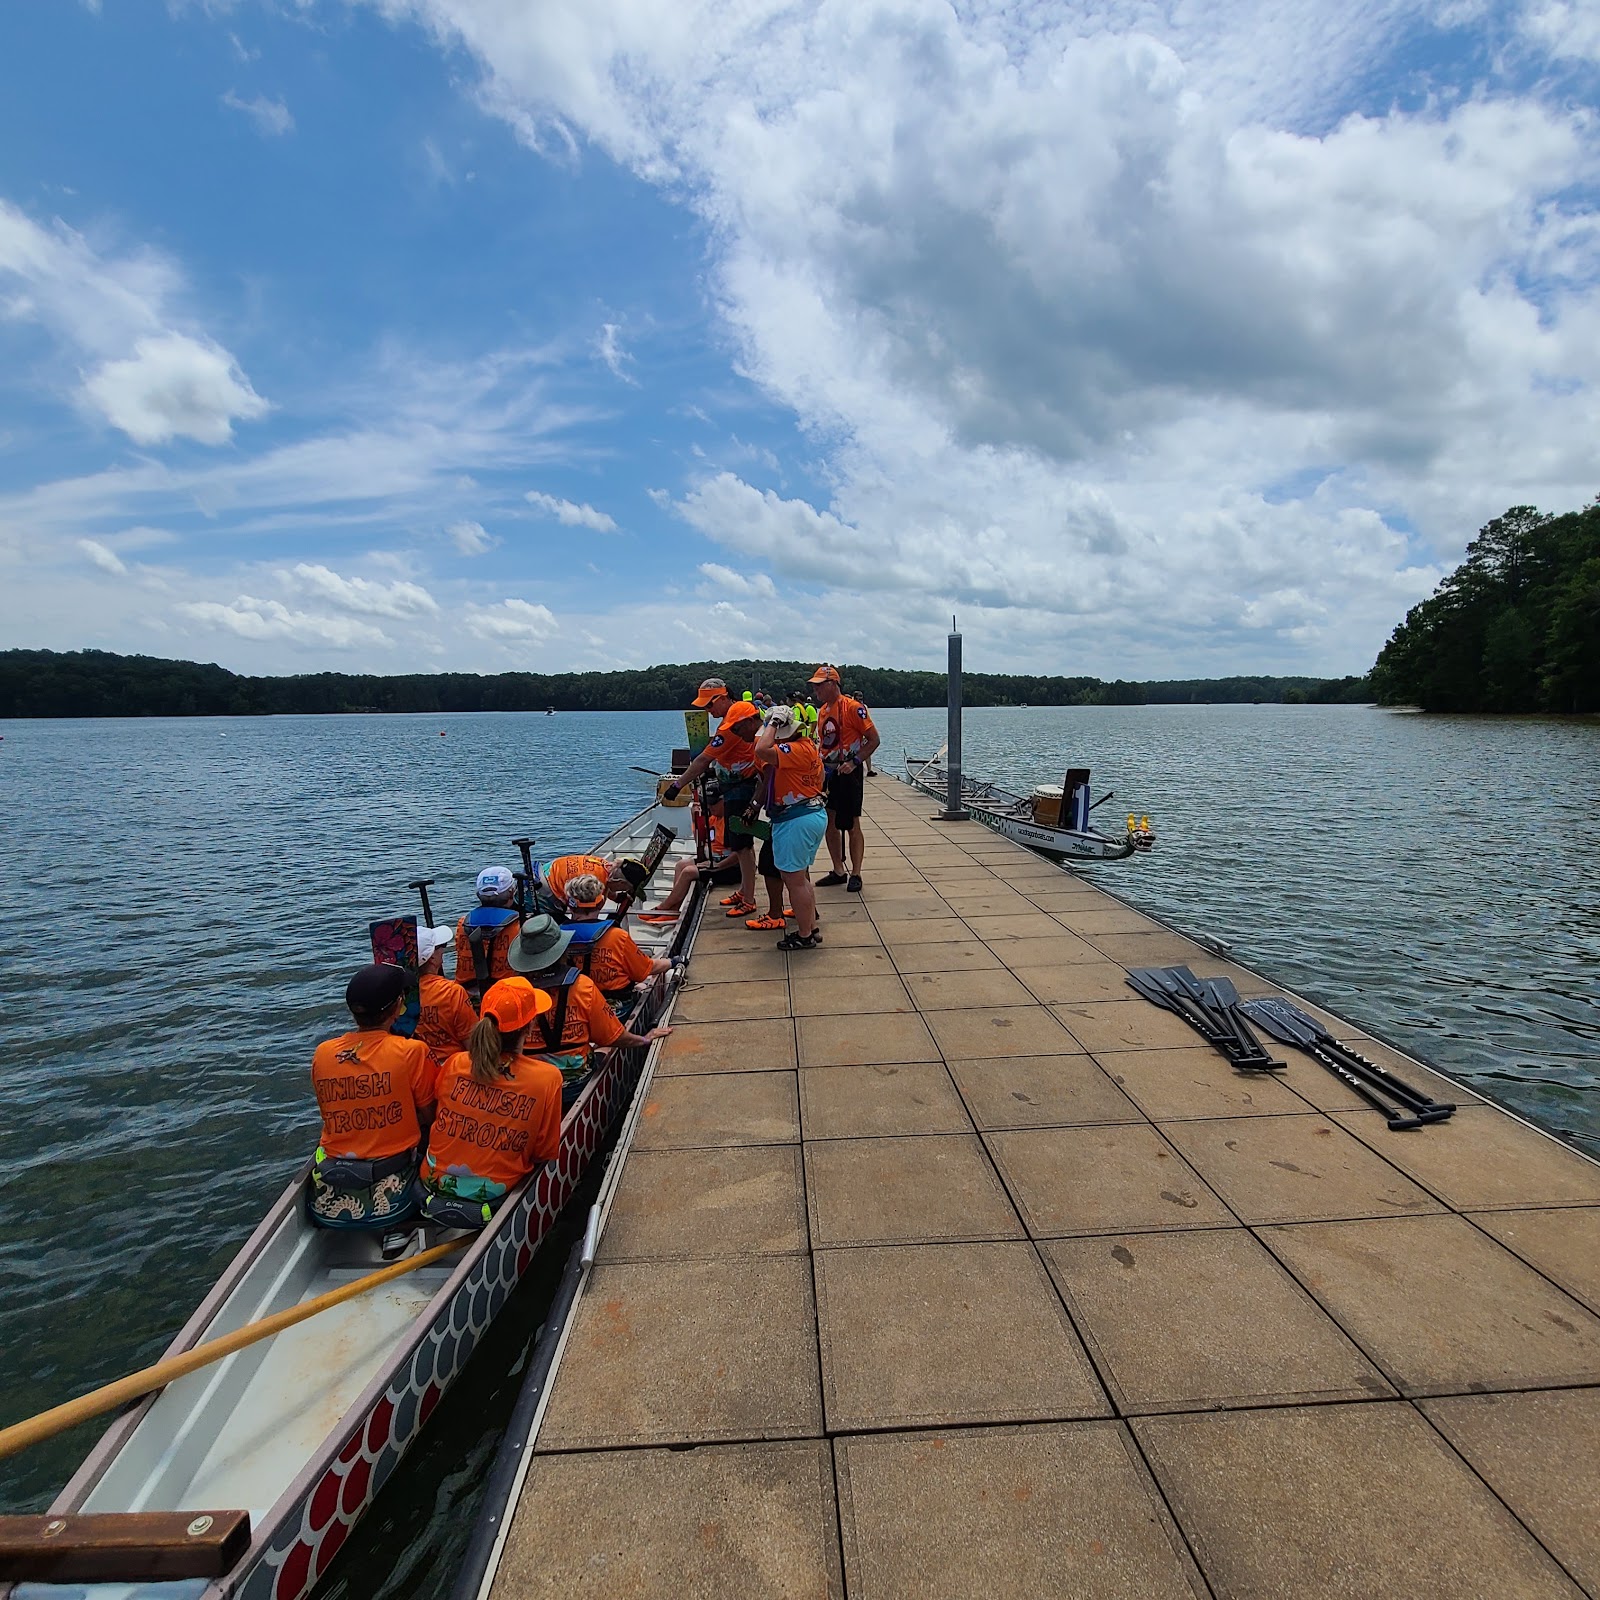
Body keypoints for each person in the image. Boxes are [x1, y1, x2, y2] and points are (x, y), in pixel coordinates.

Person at [417, 978, 564, 1230]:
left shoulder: (455, 1062)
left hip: (430, 1184)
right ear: (529, 1028)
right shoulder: (547, 1078)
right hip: (491, 1199)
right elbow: (544, 1153)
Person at [309, 963, 436, 1250]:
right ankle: (400, 1226)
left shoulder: (323, 1053)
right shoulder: (411, 1051)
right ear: (397, 1008)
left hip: (328, 1190)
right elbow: (431, 1115)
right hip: (393, 1189)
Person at [507, 914, 673, 1103]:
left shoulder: (510, 991)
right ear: (562, 951)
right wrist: (644, 1039)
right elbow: (614, 1037)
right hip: (575, 1084)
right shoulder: (581, 987)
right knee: (602, 1049)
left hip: (528, 1084)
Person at [661, 678, 762, 918]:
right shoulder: (731, 720)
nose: (708, 711)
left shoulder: (731, 727)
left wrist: (677, 785)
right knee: (741, 843)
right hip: (735, 786)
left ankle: (748, 899)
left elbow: (702, 760)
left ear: (724, 697)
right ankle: (744, 890)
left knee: (743, 845)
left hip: (741, 789)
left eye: (710, 705)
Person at [752, 705, 828, 950]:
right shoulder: (808, 747)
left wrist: (772, 723)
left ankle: (805, 935)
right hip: (809, 813)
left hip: (796, 819)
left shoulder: (793, 749)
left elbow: (762, 749)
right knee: (800, 877)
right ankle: (811, 927)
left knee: (794, 880)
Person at [811, 664, 880, 893]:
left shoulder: (853, 708)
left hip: (848, 772)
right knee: (828, 822)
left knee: (851, 822)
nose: (816, 690)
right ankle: (838, 869)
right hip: (828, 773)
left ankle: (856, 872)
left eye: (819, 685)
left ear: (832, 684)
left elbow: (873, 739)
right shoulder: (822, 711)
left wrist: (855, 762)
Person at [562, 872, 674, 1004]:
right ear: (601, 903)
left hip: (574, 1003)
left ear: (569, 905)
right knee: (642, 986)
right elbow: (644, 970)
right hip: (616, 1005)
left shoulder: (557, 936)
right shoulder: (617, 936)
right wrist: (673, 962)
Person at [454, 865, 522, 1005]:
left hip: (466, 996)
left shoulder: (463, 923)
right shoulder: (521, 925)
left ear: (479, 894)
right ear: (512, 892)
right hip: (508, 996)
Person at [416, 924, 478, 1074]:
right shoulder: (452, 992)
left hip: (421, 1069)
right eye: (440, 946)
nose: (443, 950)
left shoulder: (399, 994)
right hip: (456, 1070)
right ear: (431, 958)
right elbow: (474, 1045)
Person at [528, 852, 648, 918]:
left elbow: (608, 885)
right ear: (621, 883)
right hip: (540, 895)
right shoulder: (592, 884)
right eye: (626, 888)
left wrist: (615, 897)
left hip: (541, 875)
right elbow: (580, 914)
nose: (625, 891)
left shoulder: (605, 866)